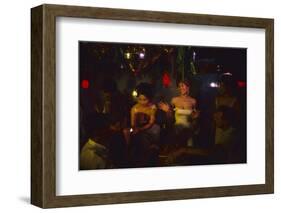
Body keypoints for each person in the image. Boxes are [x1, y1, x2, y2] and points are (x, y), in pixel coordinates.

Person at [158, 80, 199, 148]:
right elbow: (170, 118)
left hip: (189, 128)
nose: (181, 88)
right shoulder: (174, 100)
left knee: (189, 145)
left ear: (188, 87)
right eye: (179, 86)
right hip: (177, 128)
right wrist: (168, 111)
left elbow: (195, 118)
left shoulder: (193, 101)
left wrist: (195, 118)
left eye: (183, 86)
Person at [129, 83, 160, 167]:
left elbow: (151, 122)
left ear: (149, 98)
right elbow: (133, 124)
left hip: (150, 128)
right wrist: (136, 129)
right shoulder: (134, 108)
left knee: (156, 129)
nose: (142, 102)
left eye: (145, 99)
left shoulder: (152, 107)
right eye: (140, 99)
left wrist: (141, 129)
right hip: (138, 129)